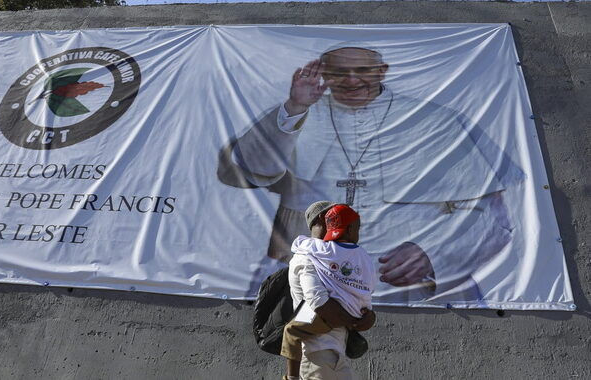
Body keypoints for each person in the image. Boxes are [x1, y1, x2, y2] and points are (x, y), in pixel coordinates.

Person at [218, 44, 525, 302]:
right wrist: (295, 107)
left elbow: (492, 218)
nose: (352, 82)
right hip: (310, 283)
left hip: (408, 288)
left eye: (362, 71)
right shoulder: (297, 112)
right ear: (324, 74)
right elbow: (253, 169)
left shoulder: (435, 121)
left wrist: (434, 253)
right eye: (339, 73)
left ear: (382, 71)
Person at [282, 204, 375, 380]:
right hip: (317, 353)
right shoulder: (306, 255)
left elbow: (353, 294)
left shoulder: (332, 256)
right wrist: (354, 319)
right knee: (291, 331)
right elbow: (320, 303)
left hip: (334, 353)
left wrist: (369, 315)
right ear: (320, 219)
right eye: (330, 218)